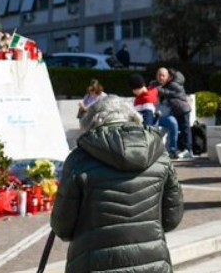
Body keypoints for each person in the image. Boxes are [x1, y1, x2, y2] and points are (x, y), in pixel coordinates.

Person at [51, 95, 183, 273]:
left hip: (93, 263)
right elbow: (172, 218)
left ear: (91, 122)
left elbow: (63, 227)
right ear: (133, 118)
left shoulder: (79, 159)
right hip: (152, 262)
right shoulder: (160, 156)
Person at [131, 74, 179, 157]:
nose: (133, 92)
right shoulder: (139, 99)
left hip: (157, 118)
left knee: (173, 122)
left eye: (133, 90)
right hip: (151, 120)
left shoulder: (152, 92)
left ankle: (173, 150)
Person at [154, 67, 193, 160]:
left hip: (182, 110)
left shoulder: (174, 84)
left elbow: (168, 93)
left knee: (185, 130)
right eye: (159, 76)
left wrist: (157, 89)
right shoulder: (168, 84)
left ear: (169, 77)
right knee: (180, 130)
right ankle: (182, 149)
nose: (160, 78)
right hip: (177, 110)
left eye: (163, 76)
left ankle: (188, 150)